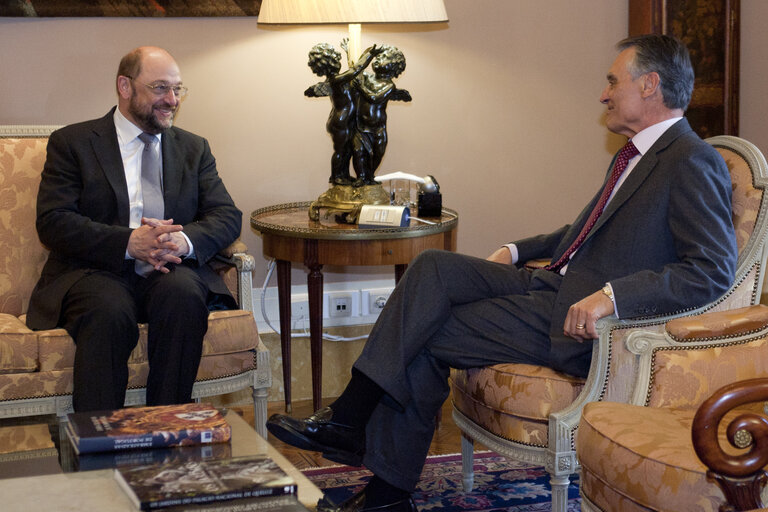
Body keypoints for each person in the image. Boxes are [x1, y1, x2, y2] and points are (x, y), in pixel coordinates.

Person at [267, 34, 738, 512]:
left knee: (424, 330)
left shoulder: (690, 160)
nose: (604, 93)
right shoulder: (635, 156)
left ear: (650, 85)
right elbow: (584, 232)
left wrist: (612, 296)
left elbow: (712, 270)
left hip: (578, 320)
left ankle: (375, 473)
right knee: (432, 268)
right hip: (548, 284)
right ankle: (354, 430)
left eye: (613, 81)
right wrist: (514, 250)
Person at [26, 46, 242, 412]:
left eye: (177, 89)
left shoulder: (193, 148)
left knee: (185, 297)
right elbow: (54, 221)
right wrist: (130, 242)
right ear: (125, 87)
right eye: (160, 88)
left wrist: (182, 240)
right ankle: (99, 443)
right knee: (109, 312)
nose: (171, 100)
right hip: (96, 271)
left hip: (168, 269)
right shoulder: (73, 143)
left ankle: (167, 427)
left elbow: (226, 215)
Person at [305, 41, 384, 186]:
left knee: (347, 150)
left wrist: (349, 52)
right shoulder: (336, 80)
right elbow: (355, 70)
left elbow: (354, 71)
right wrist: (369, 54)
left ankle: (344, 175)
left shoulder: (340, 78)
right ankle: (335, 176)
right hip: (340, 121)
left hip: (344, 121)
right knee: (340, 150)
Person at [351, 45, 411, 186]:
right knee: (358, 151)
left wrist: (361, 88)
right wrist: (368, 54)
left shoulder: (389, 86)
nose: (378, 59)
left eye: (383, 58)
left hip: (378, 129)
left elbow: (375, 98)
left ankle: (369, 176)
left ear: (393, 66)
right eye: (378, 57)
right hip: (361, 126)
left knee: (377, 154)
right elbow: (356, 69)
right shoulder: (366, 77)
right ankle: (361, 177)